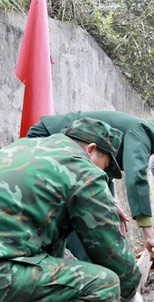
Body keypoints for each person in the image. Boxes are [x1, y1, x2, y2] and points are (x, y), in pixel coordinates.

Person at [0, 117, 143, 301]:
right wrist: (132, 293)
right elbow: (109, 245)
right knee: (104, 284)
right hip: (4, 273)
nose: (104, 175)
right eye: (105, 166)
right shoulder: (83, 169)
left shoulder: (22, 147)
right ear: (90, 150)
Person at [26, 111, 154, 262]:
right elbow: (136, 177)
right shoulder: (142, 132)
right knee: (82, 215)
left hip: (60, 152)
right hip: (47, 138)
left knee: (84, 215)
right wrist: (149, 234)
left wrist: (111, 202)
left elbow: (102, 172)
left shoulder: (141, 134)